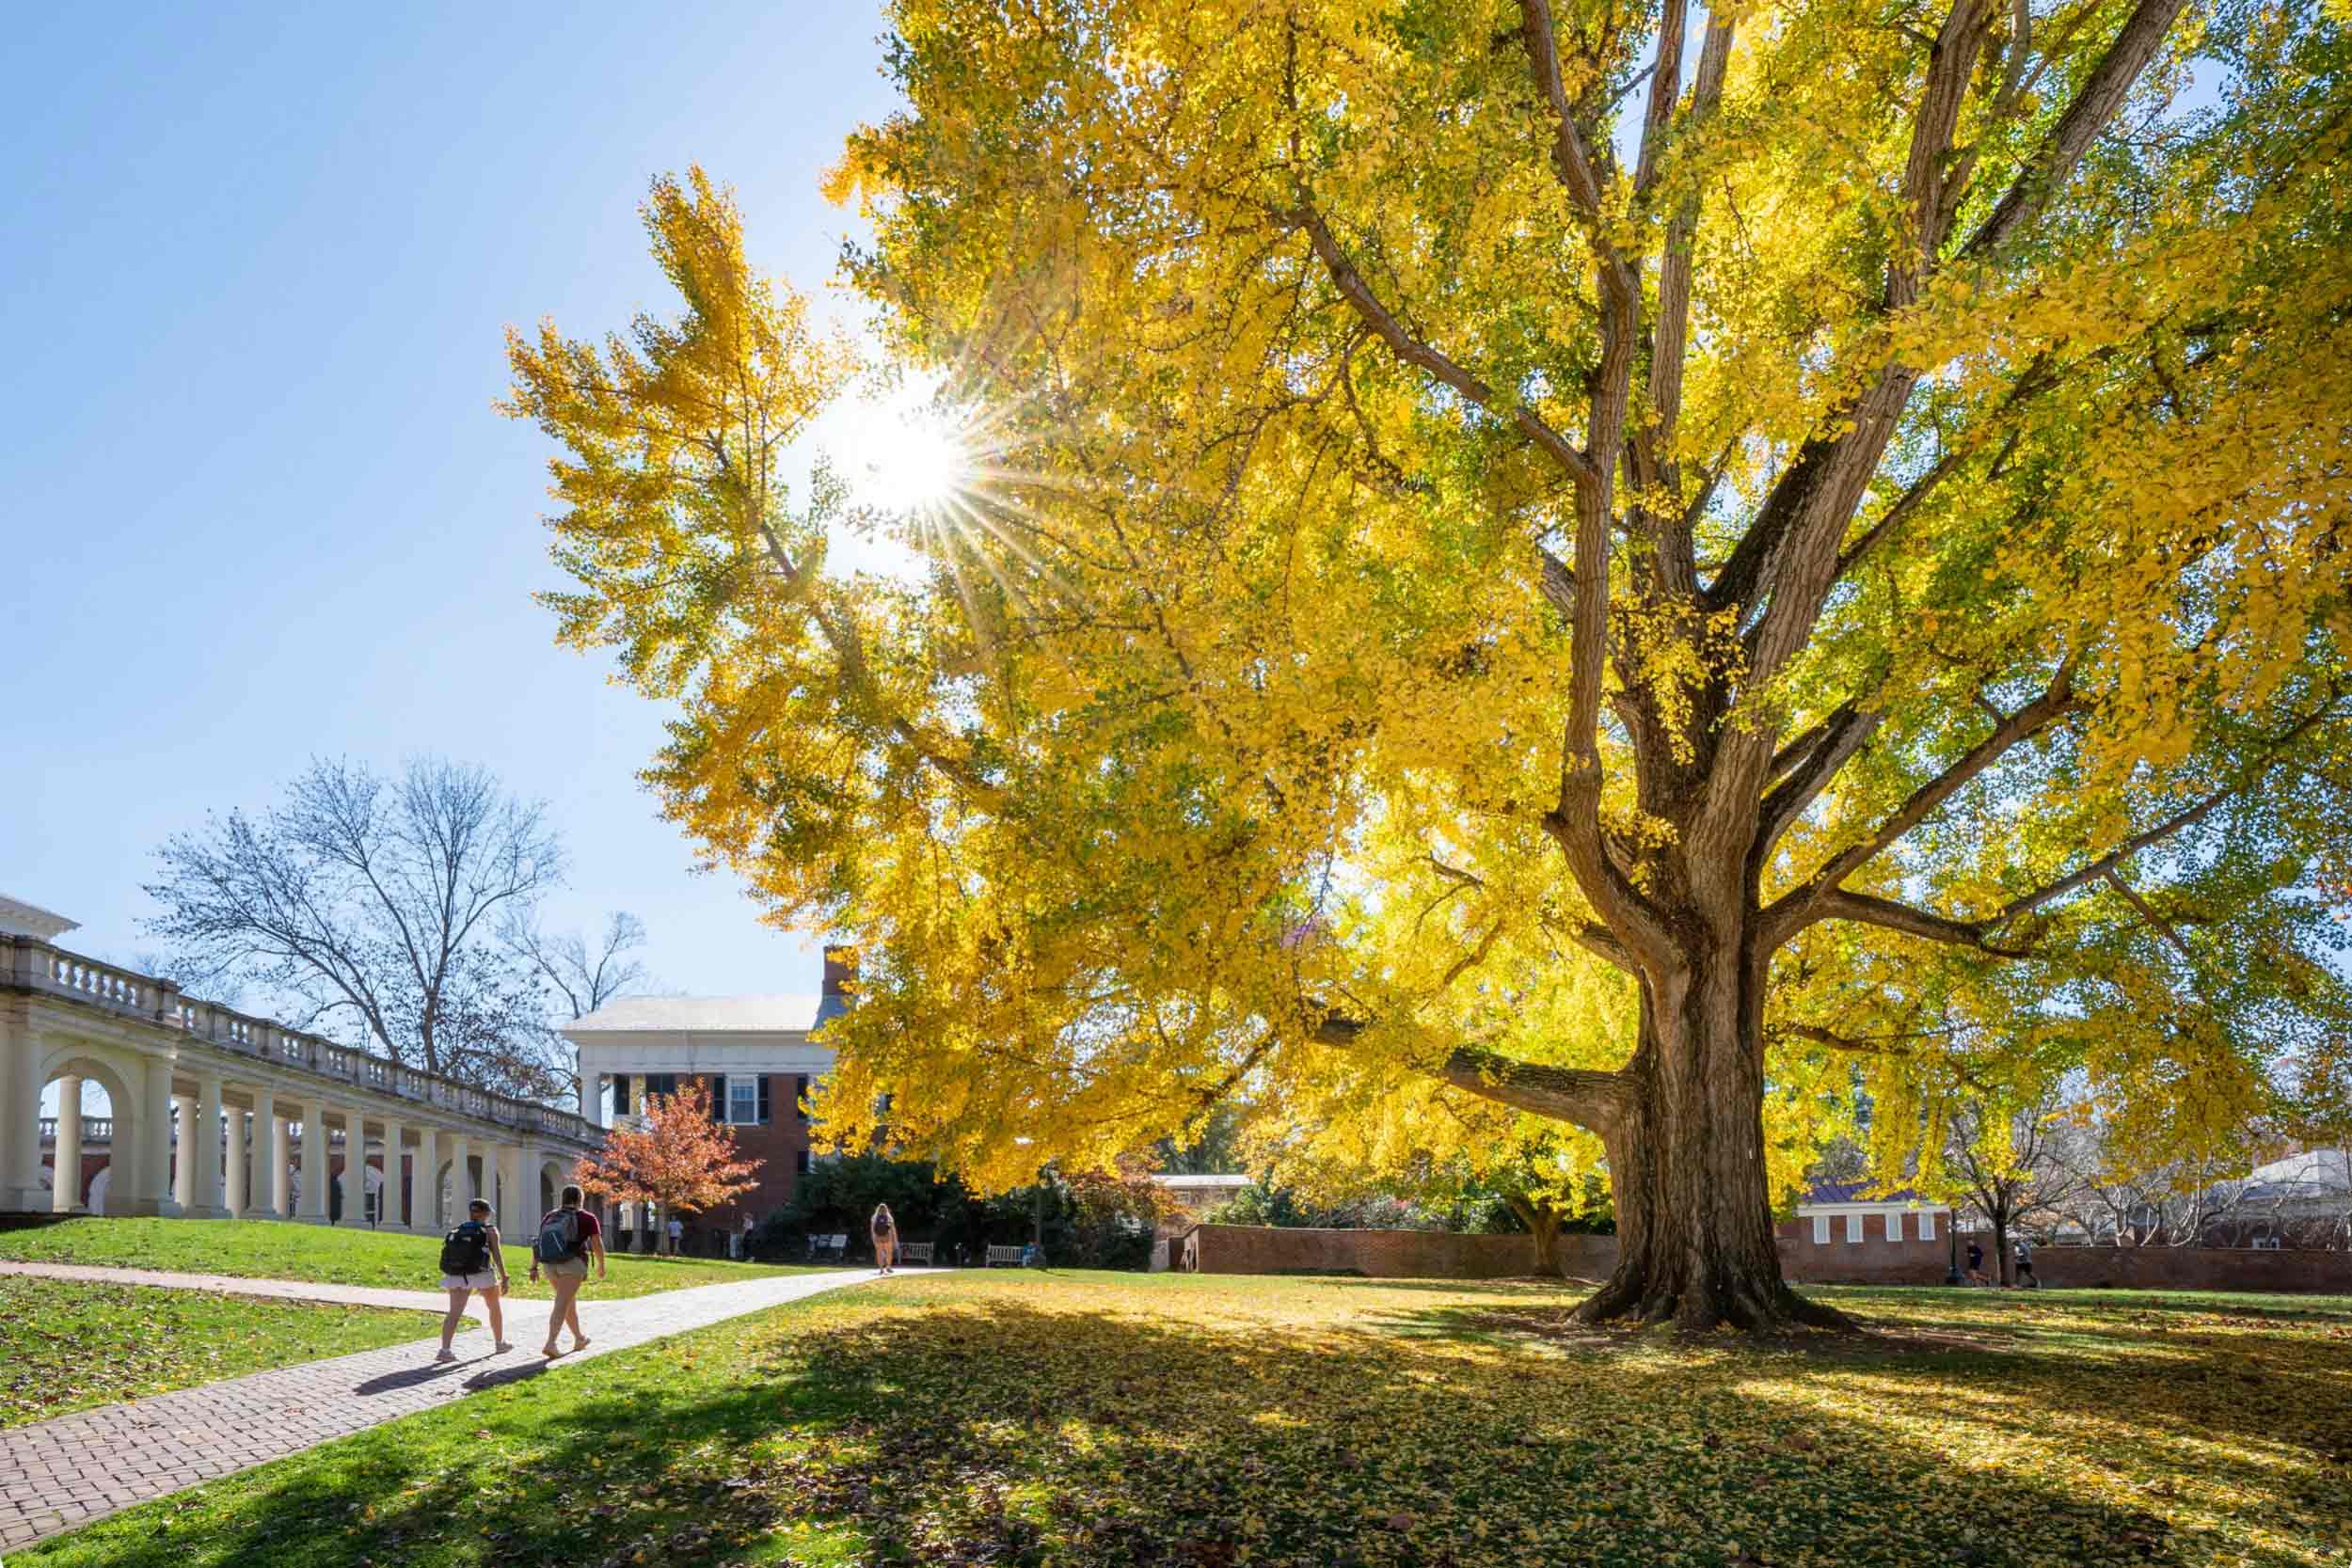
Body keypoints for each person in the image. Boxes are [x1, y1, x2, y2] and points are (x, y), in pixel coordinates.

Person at [528, 1182, 608, 1358]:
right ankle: (551, 1343)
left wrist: (533, 1267)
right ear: (581, 1199)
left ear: (563, 1198)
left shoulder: (551, 1216)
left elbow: (539, 1242)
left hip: (549, 1265)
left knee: (568, 1303)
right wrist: (601, 1265)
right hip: (572, 1265)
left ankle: (579, 1338)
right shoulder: (587, 1217)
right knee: (562, 1304)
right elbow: (596, 1244)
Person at [436, 1197, 514, 1363]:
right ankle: (500, 1343)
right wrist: (504, 1277)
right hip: (482, 1273)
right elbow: (497, 1257)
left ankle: (445, 1350)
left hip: (456, 1274)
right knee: (494, 1307)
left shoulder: (458, 1230)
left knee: (454, 1312)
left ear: (471, 1213)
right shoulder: (490, 1230)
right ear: (486, 1213)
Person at [871, 1202, 897, 1275]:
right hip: (887, 1237)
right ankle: (888, 1267)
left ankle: (881, 1269)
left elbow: (872, 1228)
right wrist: (894, 1238)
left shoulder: (874, 1217)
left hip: (877, 1237)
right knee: (889, 1252)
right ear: (886, 1209)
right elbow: (892, 1228)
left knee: (879, 1253)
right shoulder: (889, 1216)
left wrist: (873, 1236)